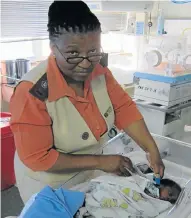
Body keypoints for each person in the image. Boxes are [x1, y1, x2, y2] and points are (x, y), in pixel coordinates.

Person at [10, 1, 164, 203]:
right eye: (73, 54)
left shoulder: (99, 72)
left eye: (93, 52)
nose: (85, 63)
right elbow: (38, 157)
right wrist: (101, 162)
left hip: (89, 170)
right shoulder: (32, 92)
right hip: (48, 183)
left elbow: (123, 109)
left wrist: (151, 148)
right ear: (53, 48)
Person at [79, 175, 181, 218]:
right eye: (170, 194)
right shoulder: (150, 185)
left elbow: (150, 211)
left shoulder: (159, 204)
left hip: (133, 207)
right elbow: (135, 182)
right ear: (163, 184)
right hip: (119, 194)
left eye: (170, 200)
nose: (167, 198)